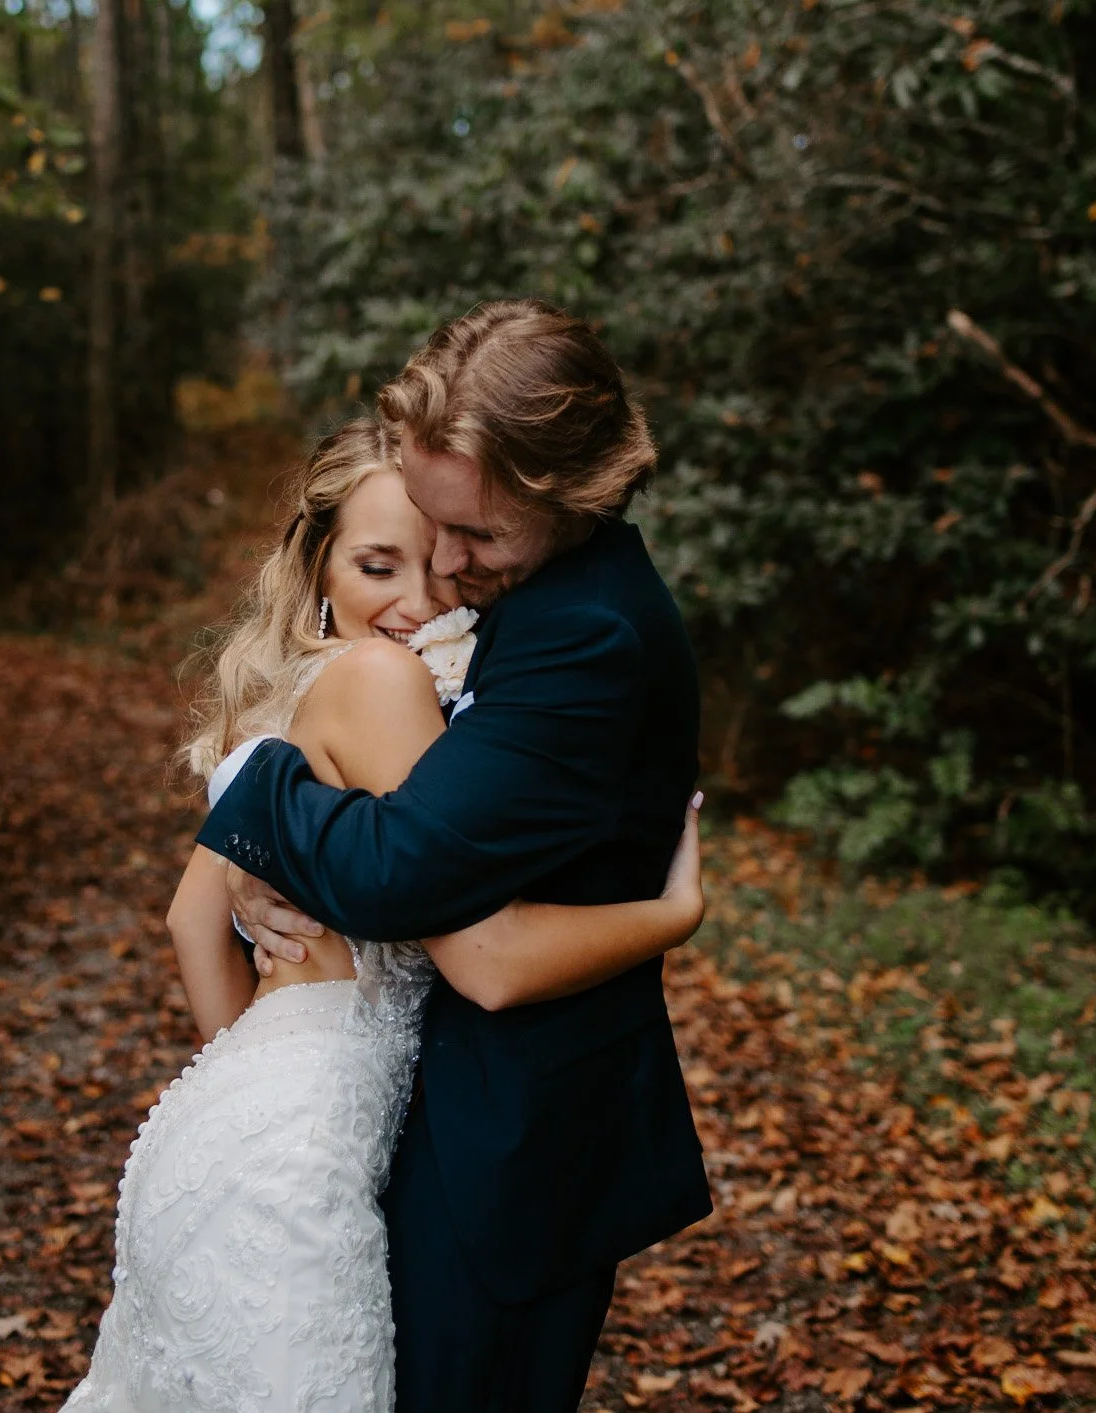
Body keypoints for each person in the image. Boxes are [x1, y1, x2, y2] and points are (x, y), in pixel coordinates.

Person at [60, 415, 703, 1412]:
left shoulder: (301, 698)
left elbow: (192, 923)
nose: (418, 600)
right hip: (303, 1146)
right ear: (317, 566)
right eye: (376, 566)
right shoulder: (382, 681)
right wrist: (673, 910)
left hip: (241, 1124)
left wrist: (262, 1085)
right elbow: (484, 953)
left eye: (442, 568)